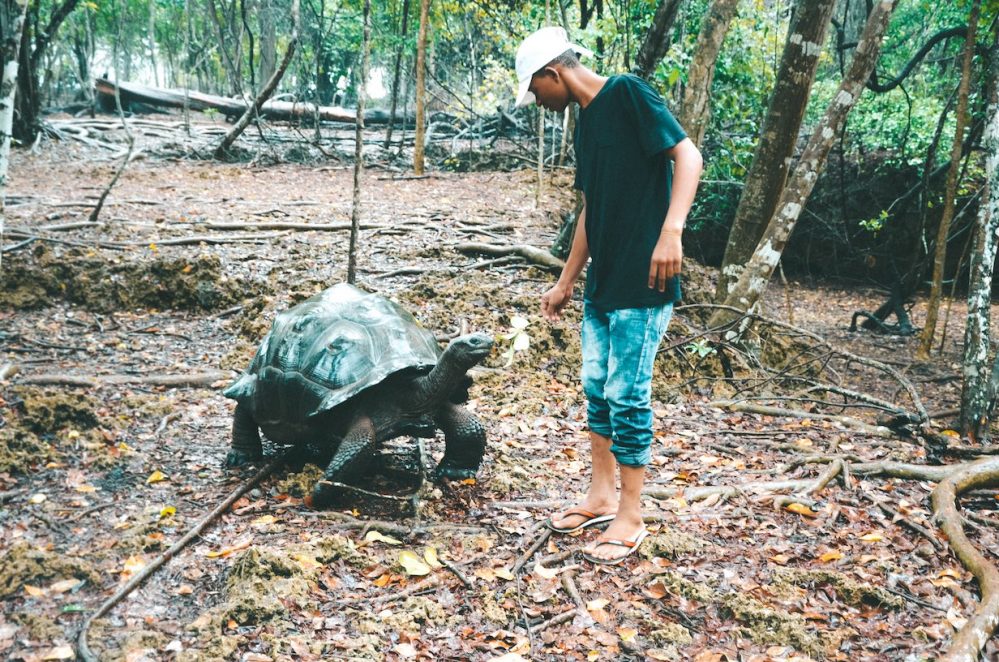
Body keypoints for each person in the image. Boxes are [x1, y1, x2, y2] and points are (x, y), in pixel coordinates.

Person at [514, 27, 702, 564]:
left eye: (535, 89)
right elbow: (590, 212)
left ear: (554, 72)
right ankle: (600, 495)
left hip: (645, 282)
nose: (536, 102)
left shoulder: (628, 94)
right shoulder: (587, 123)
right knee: (596, 386)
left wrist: (672, 232)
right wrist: (566, 280)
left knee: (627, 393)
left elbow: (688, 156)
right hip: (603, 283)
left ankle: (631, 514)